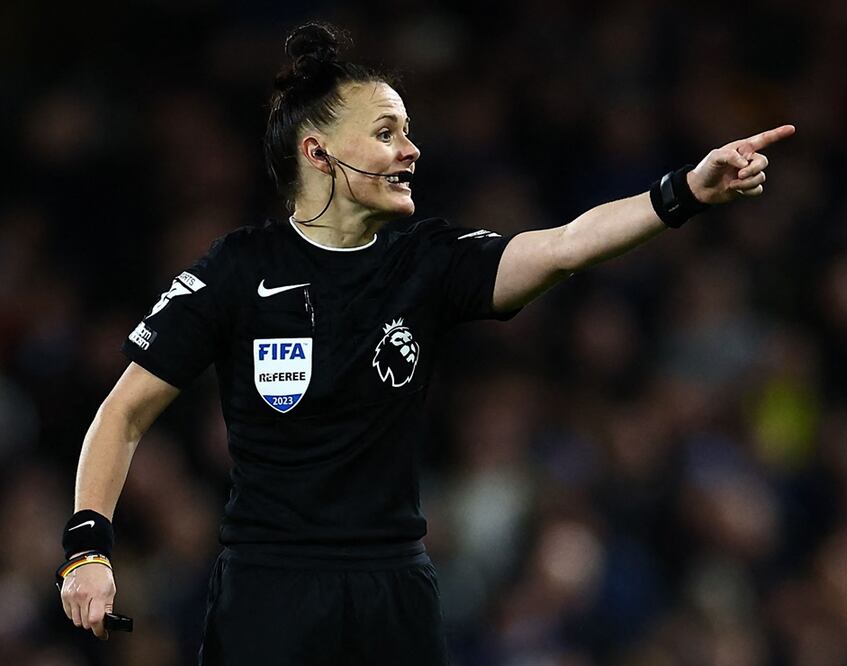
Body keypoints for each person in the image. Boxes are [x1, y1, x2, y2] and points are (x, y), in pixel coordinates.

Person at [56, 21, 794, 665]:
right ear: (317, 154)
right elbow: (121, 414)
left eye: (407, 130)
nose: (411, 150)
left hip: (394, 588)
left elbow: (566, 245)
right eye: (386, 133)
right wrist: (88, 550)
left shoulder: (428, 262)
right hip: (270, 588)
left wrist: (683, 192)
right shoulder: (237, 271)